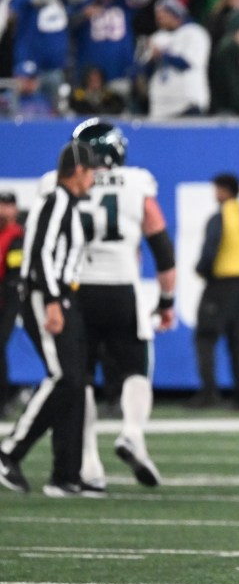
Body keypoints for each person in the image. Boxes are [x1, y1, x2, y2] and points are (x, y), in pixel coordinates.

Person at [39, 119, 177, 492]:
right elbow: (162, 247)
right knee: (135, 369)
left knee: (81, 377)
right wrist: (166, 299)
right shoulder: (136, 182)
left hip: (75, 290)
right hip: (121, 290)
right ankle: (132, 432)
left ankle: (89, 464)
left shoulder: (56, 184)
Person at [0, 141, 98, 497]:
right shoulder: (56, 200)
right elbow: (41, 251)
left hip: (61, 294)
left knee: (75, 383)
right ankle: (9, 452)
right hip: (46, 295)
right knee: (63, 377)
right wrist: (53, 300)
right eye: (91, 171)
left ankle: (65, 473)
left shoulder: (67, 203)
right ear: (79, 171)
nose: (94, 178)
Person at [193, 173, 239, 409]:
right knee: (237, 338)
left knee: (205, 336)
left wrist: (203, 270)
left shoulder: (222, 215)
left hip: (221, 282)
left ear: (224, 190)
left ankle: (209, 393)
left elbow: (211, 247)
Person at [139, 0, 211, 117]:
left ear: (175, 13)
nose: (159, 21)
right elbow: (145, 71)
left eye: (162, 16)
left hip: (187, 103)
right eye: (157, 17)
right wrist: (150, 60)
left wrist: (161, 54)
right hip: (160, 106)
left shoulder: (195, 33)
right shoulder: (157, 37)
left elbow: (187, 63)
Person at [0, 191, 24, 415]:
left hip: (8, 298)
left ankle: (2, 401)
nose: (3, 209)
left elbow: (14, 275)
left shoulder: (17, 236)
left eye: (8, 205)